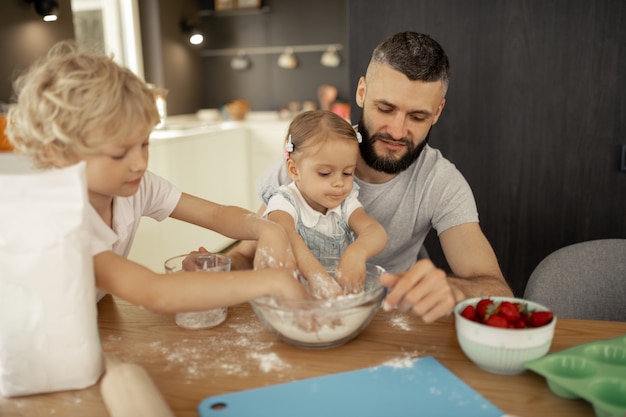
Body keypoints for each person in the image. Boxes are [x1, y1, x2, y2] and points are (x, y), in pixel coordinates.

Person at [228, 31, 513, 322]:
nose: (398, 131)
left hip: (391, 327)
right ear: (362, 92)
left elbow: (498, 291)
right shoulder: (309, 161)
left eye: (417, 117)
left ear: (438, 111)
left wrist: (456, 291)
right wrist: (217, 267)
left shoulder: (440, 182)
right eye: (386, 108)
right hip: (304, 318)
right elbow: (245, 256)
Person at [5, 42, 310, 314]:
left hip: (89, 314)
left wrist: (263, 227)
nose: (139, 163)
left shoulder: (134, 185)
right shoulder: (59, 214)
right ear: (59, 153)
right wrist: (268, 281)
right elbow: (153, 293)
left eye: (144, 144)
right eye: (118, 154)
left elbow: (215, 214)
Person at [261, 110, 387, 298]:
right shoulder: (284, 202)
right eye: (325, 173)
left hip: (334, 298)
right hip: (293, 299)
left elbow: (375, 231)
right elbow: (285, 235)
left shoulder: (345, 203)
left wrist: (358, 252)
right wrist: (316, 275)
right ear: (294, 170)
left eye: (347, 173)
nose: (339, 183)